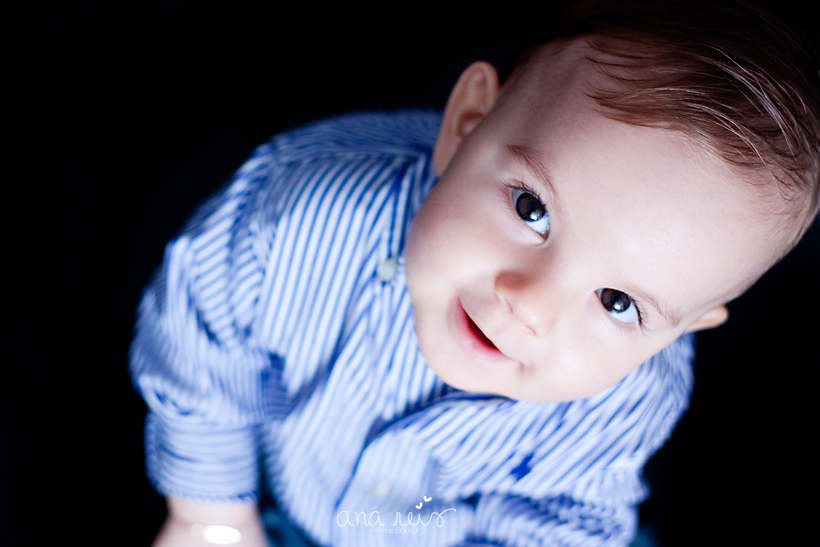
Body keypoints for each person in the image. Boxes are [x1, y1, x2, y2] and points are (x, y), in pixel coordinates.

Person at [129, 1, 820, 545]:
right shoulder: (298, 216)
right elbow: (199, 347)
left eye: (615, 301)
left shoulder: (629, 400)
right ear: (466, 121)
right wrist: (210, 517)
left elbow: (558, 522)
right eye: (532, 208)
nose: (530, 305)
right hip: (280, 503)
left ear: (681, 329)